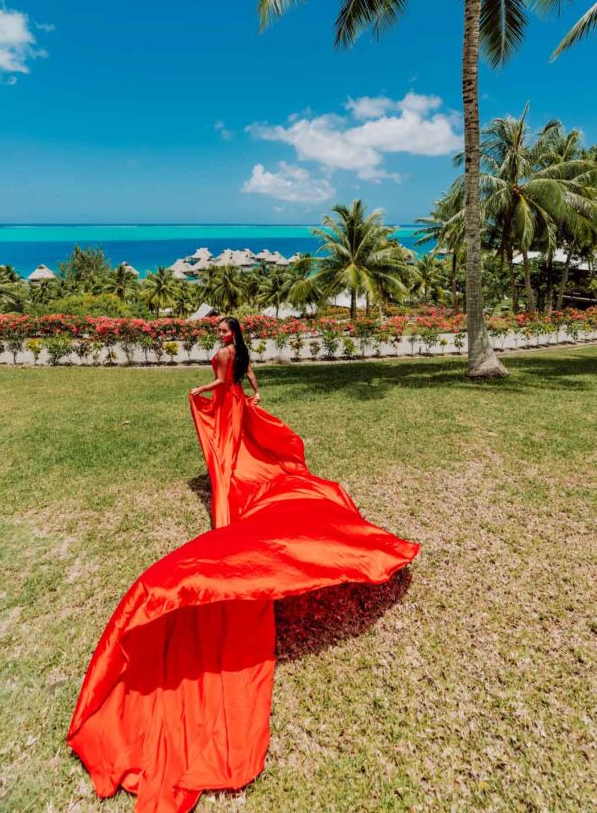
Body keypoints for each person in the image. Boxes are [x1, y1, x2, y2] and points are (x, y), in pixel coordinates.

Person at [68, 315, 419, 813]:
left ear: (233, 336)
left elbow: (227, 378)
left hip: (226, 405)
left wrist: (206, 387)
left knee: (230, 457)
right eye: (221, 331)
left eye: (225, 330)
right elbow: (247, 378)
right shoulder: (237, 350)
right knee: (226, 458)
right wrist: (250, 393)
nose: (222, 336)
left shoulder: (230, 355)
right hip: (233, 403)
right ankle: (228, 494)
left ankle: (229, 501)